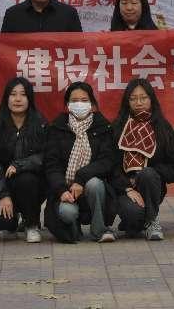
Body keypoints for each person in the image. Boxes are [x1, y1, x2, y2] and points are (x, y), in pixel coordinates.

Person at [43, 82, 117, 243]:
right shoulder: (56, 128)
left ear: (92, 104)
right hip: (66, 189)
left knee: (94, 184)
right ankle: (73, 230)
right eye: (74, 100)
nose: (79, 104)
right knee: (67, 213)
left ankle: (99, 230)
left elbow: (107, 161)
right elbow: (51, 165)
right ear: (68, 105)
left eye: (84, 100)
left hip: (92, 188)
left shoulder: (103, 127)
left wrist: (81, 178)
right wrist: (61, 190)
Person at [111, 78, 174, 240]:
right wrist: (127, 187)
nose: (138, 103)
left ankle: (152, 221)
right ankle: (133, 221)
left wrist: (150, 173)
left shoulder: (162, 127)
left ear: (151, 99)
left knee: (147, 174)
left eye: (143, 98)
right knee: (132, 213)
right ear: (127, 102)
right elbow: (110, 165)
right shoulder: (118, 127)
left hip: (152, 185)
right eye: (133, 98)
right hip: (124, 188)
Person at [0, 77, 48, 243]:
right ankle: (13, 222)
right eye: (13, 94)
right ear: (6, 98)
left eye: (23, 94)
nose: (18, 99)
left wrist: (20, 165)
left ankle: (31, 224)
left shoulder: (40, 124)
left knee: (26, 179)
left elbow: (45, 156)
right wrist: (3, 195)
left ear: (30, 99)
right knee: (2, 222)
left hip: (32, 183)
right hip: (4, 184)